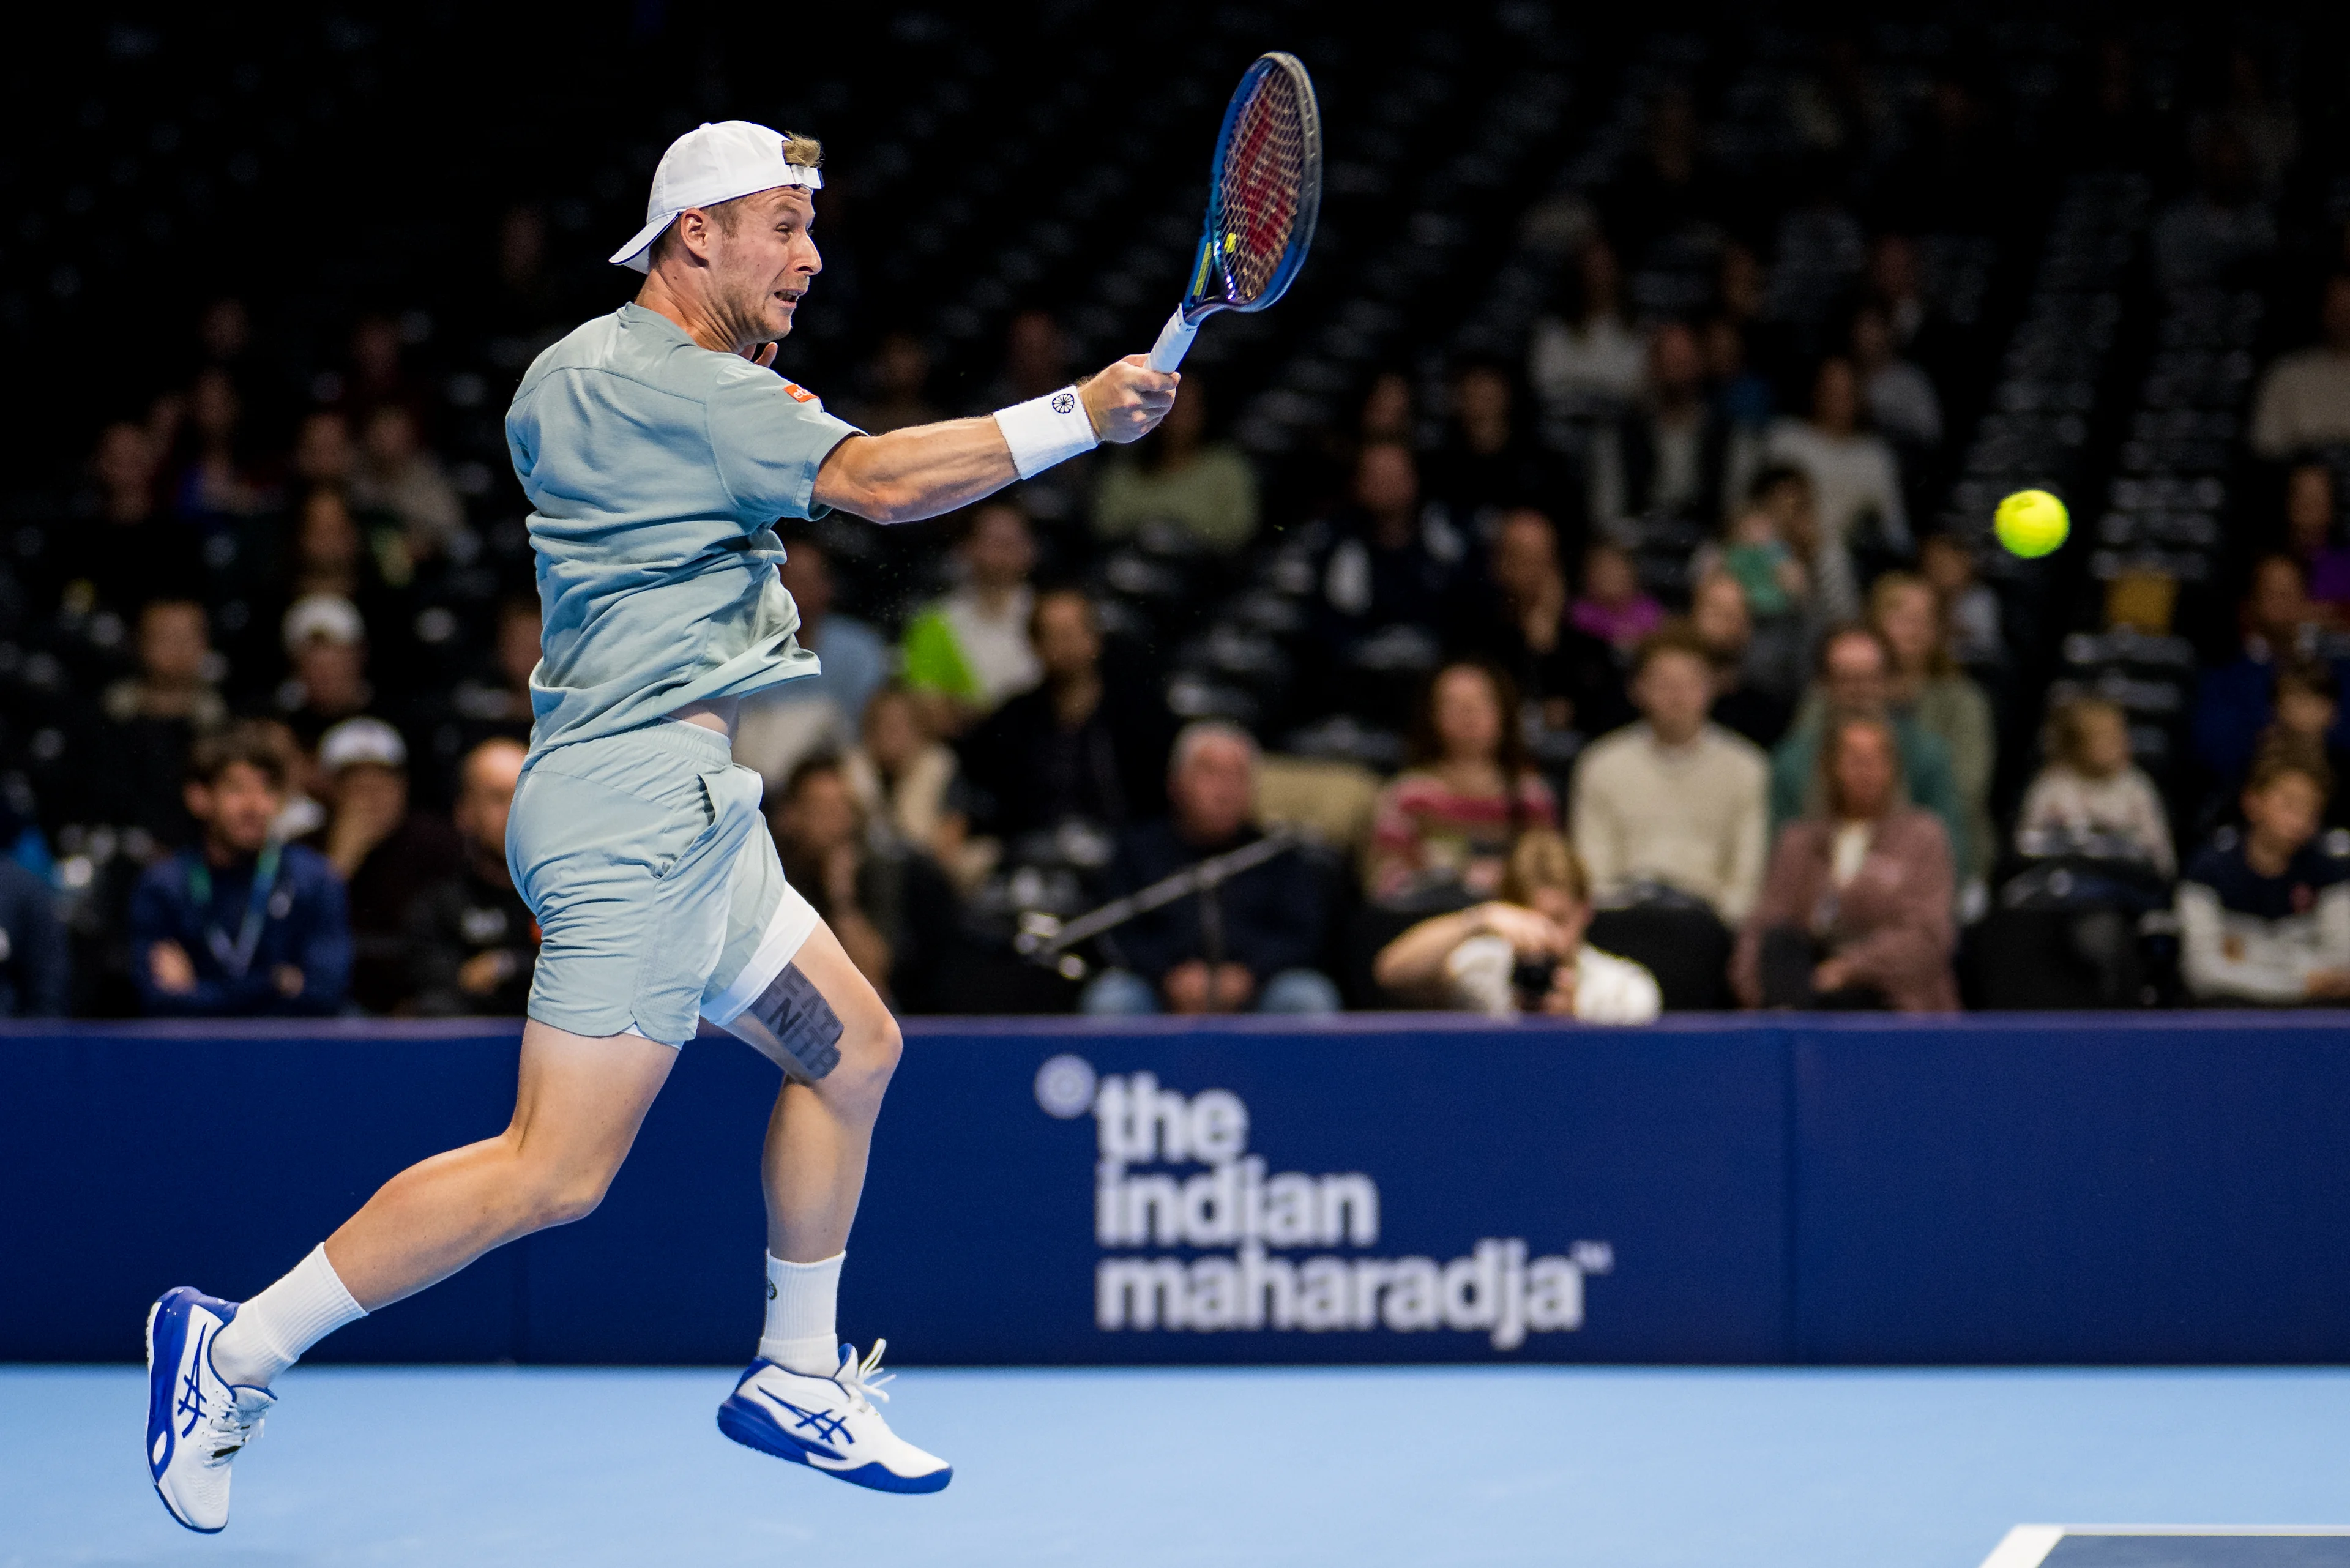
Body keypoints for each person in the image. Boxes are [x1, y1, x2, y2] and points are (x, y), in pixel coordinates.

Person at [144, 120, 1177, 1528]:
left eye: (814, 230)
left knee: (855, 1047)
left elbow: (641, 453)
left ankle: (795, 1372)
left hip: (679, 809)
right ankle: (233, 1349)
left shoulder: (574, 374)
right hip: (637, 812)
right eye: (781, 228)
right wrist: (1080, 415)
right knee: (551, 1175)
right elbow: (879, 484)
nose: (810, 259)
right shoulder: (694, 393)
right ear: (694, 232)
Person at [1081, 722, 1339, 1017]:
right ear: (1175, 783)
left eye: (1237, 776)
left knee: (1307, 996)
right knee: (1111, 1000)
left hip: (1257, 986)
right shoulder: (1138, 851)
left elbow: (1303, 935)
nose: (1224, 790)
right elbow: (1117, 932)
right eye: (1210, 773)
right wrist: (1168, 974)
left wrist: (1248, 974)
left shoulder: (1277, 855)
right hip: (1158, 985)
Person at [126, 722, 351, 1020]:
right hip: (194, 1056)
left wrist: (198, 994)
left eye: (267, 788)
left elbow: (324, 994)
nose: (254, 805)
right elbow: (159, 1001)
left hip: (290, 1055)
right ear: (199, 797)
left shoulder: (315, 879)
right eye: (237, 789)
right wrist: (274, 983)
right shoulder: (163, 886)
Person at [1734, 713, 1958, 1012]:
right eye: (1854, 759)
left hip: (1884, 991)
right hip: (1804, 983)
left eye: (1876, 759)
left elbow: (1927, 936)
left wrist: (1847, 969)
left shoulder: (1923, 837)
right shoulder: (1799, 841)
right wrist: (1752, 985)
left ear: (1893, 768)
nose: (1865, 771)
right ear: (1830, 767)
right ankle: (1785, 1026)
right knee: (1781, 943)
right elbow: (1765, 922)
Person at [1571, 627, 1770, 925]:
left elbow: (1746, 881)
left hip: (1710, 924)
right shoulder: (1601, 764)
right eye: (1664, 683)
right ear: (1637, 689)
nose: (1678, 696)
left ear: (1712, 687)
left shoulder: (1746, 767)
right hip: (1624, 919)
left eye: (1691, 683)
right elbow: (1592, 870)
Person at [1373, 829, 1660, 1023]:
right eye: (1529, 921)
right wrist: (1479, 919)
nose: (1545, 936)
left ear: (1585, 910)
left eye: (1558, 920)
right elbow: (1391, 973)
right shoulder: (1481, 970)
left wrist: (1577, 1022)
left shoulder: (1624, 990)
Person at [958, 588, 1174, 843]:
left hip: (1123, 853)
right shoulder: (1012, 719)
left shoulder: (1139, 712)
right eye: (1054, 636)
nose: (1067, 645)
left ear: (1095, 638)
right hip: (1031, 852)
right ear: (1035, 645)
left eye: (1074, 632)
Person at [768, 753, 964, 1014]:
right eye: (822, 810)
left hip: (858, 1011)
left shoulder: (878, 871)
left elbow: (873, 980)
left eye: (842, 808)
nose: (836, 822)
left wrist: (842, 896)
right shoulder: (771, 869)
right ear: (792, 817)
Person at [1769, 625, 1967, 873]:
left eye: (1870, 678)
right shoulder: (1793, 762)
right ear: (1824, 686)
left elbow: (1951, 852)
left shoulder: (1926, 755)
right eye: (1846, 679)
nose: (1859, 691)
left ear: (1888, 681)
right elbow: (1777, 858)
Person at [1365, 660, 1556, 908]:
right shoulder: (1409, 795)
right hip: (1430, 923)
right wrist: (1457, 880)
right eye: (1452, 704)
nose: (1468, 713)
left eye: (1481, 701)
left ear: (1505, 711)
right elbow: (1385, 884)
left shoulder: (1532, 796)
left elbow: (1553, 876)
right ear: (1432, 716)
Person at [305, 718, 462, 1014]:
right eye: (358, 787)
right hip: (334, 1001)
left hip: (420, 997)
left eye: (383, 783)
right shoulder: (306, 849)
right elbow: (300, 934)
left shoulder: (439, 844)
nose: (372, 798)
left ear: (403, 786)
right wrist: (340, 864)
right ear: (332, 791)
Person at [2178, 742, 2350, 1005]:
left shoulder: (2332, 870)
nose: (2301, 820)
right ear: (2252, 803)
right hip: (2233, 1016)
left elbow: (2340, 965)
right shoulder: (2207, 870)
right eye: (2290, 804)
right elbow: (2201, 972)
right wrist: (2299, 982)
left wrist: (2246, 961)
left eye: (2312, 809)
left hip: (2312, 1014)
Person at [733, 534, 892, 788]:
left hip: (839, 769)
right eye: (790, 581)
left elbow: (872, 727)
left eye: (808, 581)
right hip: (762, 771)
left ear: (827, 587)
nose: (799, 592)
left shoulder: (859, 647)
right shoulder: (739, 649)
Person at [1463, 508, 1630, 741]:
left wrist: (1548, 643)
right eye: (1523, 559)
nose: (1534, 571)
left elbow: (1608, 716)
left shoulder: (1587, 641)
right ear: (1500, 564)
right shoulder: (1474, 636)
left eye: (1543, 559)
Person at [405, 739, 537, 1016]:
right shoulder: (437, 906)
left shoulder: (569, 898)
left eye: (525, 796)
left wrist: (503, 965)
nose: (515, 812)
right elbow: (437, 987)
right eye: (499, 798)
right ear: (464, 812)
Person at [898, 499, 1042, 734]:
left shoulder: (1051, 615)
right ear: (967, 548)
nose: (1004, 552)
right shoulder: (934, 625)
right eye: (994, 541)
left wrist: (973, 709)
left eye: (1013, 541)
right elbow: (933, 715)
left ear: (1031, 549)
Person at [93, 599, 229, 848]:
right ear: (139, 643)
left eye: (187, 638)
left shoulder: (220, 721)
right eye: (166, 637)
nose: (178, 649)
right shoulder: (112, 716)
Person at [1090, 376, 1259, 554]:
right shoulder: (1126, 465)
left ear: (1204, 411)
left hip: (1200, 567)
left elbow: (1240, 531)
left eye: (1189, 409)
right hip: (1131, 559)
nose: (1180, 417)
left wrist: (1183, 536)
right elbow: (1105, 524)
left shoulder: (1226, 466)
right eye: (1173, 408)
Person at [1762, 356, 1908, 560]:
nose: (1837, 401)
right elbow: (1759, 506)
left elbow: (1894, 530)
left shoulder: (1875, 456)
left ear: (1859, 397)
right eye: (1830, 391)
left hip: (1851, 562)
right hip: (1781, 551)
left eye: (1846, 393)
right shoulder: (1786, 439)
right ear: (1815, 391)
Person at [842, 681, 980, 887]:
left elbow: (952, 836)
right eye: (881, 725)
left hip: (927, 878)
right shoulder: (853, 772)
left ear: (919, 729)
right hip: (869, 877)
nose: (890, 734)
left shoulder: (940, 767)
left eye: (899, 724)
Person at [2016, 697, 2176, 875]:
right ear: (2077, 744)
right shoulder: (2052, 787)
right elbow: (2026, 849)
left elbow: (2162, 858)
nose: (2122, 744)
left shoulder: (2136, 787)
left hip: (2124, 886)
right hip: (2064, 883)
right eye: (2108, 738)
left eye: (2122, 734)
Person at [1530, 236, 1647, 411]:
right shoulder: (1552, 332)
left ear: (1618, 273)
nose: (1598, 278)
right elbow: (1547, 386)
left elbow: (1636, 390)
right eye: (1591, 268)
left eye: (1604, 268)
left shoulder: (1639, 332)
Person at [1689, 571, 1793, 748]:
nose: (1730, 622)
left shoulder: (1768, 710)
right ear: (1694, 616)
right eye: (1717, 611)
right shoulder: (1666, 698)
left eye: (1739, 613)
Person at [2252, 275, 2350, 459]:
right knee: (2310, 482)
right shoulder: (2288, 372)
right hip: (2308, 474)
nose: (2345, 322)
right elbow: (2267, 445)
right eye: (2338, 311)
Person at [275, 594, 378, 752]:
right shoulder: (283, 729)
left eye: (334, 661)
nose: (325, 674)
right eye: (313, 663)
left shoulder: (388, 722)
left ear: (359, 656)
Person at [1569, 540, 1663, 654]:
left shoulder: (1649, 609)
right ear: (1588, 577)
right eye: (1604, 572)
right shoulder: (1579, 615)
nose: (1612, 577)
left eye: (1617, 570)